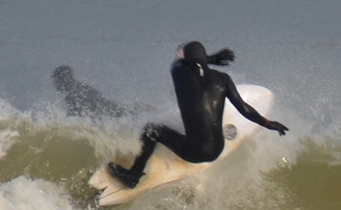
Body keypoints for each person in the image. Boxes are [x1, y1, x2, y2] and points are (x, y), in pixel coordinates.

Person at [107, 41, 288, 188]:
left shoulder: (179, 73)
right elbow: (243, 108)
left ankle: (134, 174)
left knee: (150, 130)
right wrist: (268, 123)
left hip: (193, 152)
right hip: (217, 149)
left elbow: (179, 60)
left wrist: (209, 58)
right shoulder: (223, 80)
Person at [51, 65, 132, 117]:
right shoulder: (80, 86)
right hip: (111, 108)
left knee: (129, 113)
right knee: (129, 112)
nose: (53, 82)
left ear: (63, 79)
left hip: (110, 111)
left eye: (56, 78)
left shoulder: (73, 94)